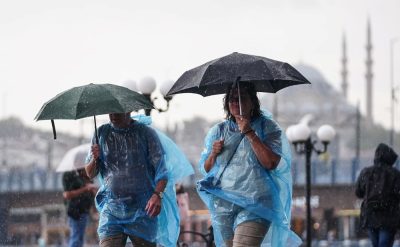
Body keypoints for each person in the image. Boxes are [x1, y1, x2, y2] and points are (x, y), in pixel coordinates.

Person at [197, 83, 301, 247]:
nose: (236, 103)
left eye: (241, 98)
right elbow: (206, 169)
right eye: (232, 99)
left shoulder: (267, 127)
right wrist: (213, 154)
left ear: (253, 102)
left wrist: (250, 133)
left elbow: (271, 163)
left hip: (256, 203)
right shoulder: (219, 131)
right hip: (223, 204)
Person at [85, 112, 192, 247]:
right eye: (111, 110)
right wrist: (95, 158)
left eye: (118, 110)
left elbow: (162, 171)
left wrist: (157, 195)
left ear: (129, 110)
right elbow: (90, 173)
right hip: (112, 210)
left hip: (143, 210)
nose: (113, 114)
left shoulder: (146, 134)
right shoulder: (101, 133)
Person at [355, 143, 400, 247]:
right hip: (389, 215)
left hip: (370, 215)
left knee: (376, 244)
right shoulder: (395, 174)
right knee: (384, 243)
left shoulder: (366, 172)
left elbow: (358, 192)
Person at [62, 168, 97, 247]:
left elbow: (92, 194)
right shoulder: (69, 174)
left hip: (85, 210)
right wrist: (85, 189)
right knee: (76, 236)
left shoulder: (86, 174)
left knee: (80, 237)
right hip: (75, 211)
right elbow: (67, 194)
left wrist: (92, 189)